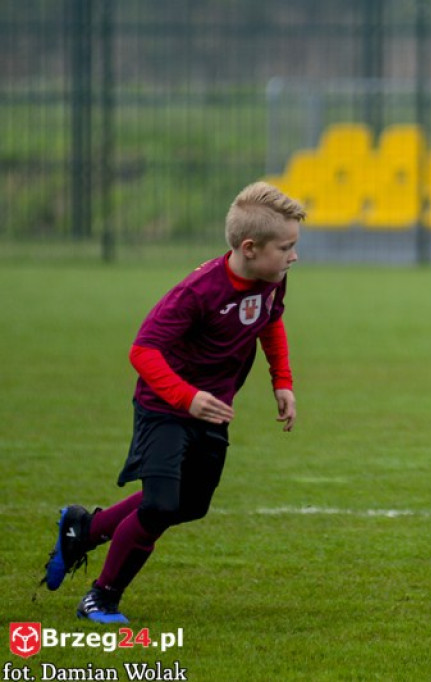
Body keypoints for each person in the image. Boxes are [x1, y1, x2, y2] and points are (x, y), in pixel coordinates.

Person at [41, 181, 305, 623]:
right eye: (287, 247)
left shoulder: (272, 277)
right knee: (161, 505)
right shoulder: (197, 292)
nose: (295, 256)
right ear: (250, 247)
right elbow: (142, 351)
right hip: (165, 408)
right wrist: (188, 397)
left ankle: (83, 530)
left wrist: (282, 380)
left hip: (213, 409)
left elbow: (269, 321)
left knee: (189, 505)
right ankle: (101, 597)